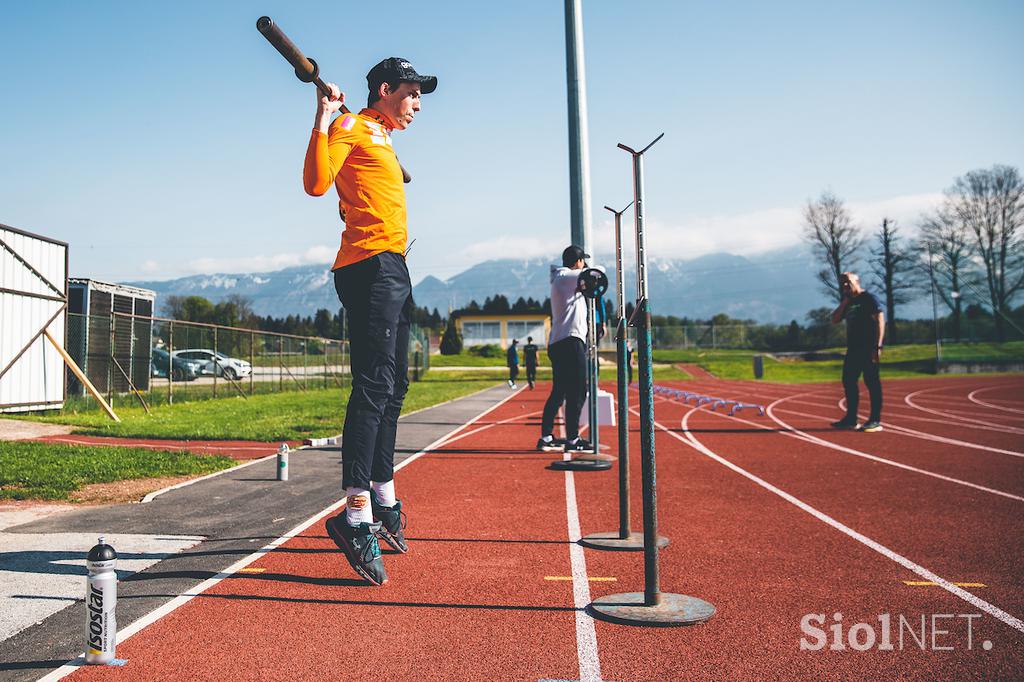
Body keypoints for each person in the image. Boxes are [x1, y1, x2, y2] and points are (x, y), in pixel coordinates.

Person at [303, 57, 437, 585]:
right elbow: (317, 184)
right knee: (373, 385)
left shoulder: (380, 135)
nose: (418, 104)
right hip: (368, 267)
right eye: (412, 93)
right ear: (385, 90)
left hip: (395, 264)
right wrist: (322, 117)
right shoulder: (350, 126)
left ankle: (384, 495)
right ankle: (355, 514)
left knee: (396, 385)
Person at [537, 245, 598, 454]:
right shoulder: (567, 278)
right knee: (579, 390)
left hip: (561, 342)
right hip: (569, 342)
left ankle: (546, 436)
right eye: (583, 261)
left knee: (560, 391)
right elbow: (597, 274)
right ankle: (572, 438)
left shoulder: (565, 280)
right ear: (578, 262)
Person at [830, 272, 885, 432]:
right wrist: (845, 301)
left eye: (848, 282)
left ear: (857, 281)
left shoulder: (868, 298)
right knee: (848, 381)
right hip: (853, 349)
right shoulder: (848, 302)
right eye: (843, 284)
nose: (845, 286)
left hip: (869, 347)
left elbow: (880, 320)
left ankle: (875, 420)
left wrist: (877, 346)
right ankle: (851, 418)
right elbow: (834, 319)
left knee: (872, 382)